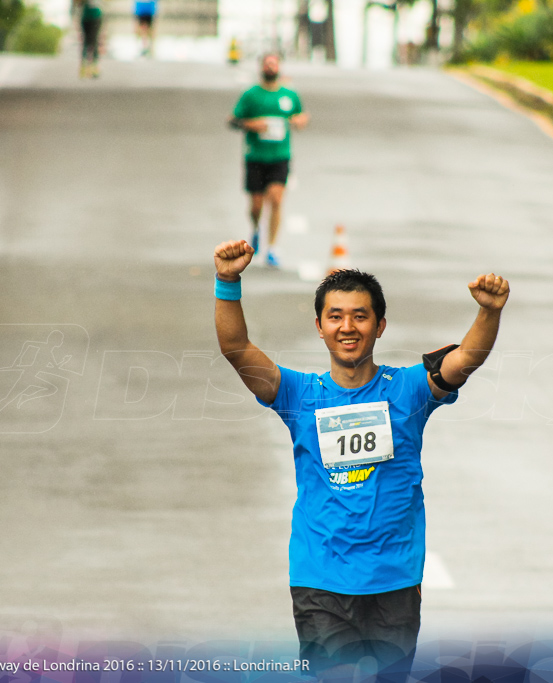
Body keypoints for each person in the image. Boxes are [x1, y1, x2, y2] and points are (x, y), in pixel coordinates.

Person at [213, 239, 510, 682]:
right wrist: (227, 281)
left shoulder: (409, 388)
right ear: (319, 326)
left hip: (395, 578)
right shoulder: (298, 394)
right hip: (321, 577)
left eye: (359, 316)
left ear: (380, 325)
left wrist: (489, 312)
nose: (347, 327)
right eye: (335, 316)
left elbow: (466, 359)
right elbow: (237, 349)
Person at [228, 54, 309, 268]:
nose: (271, 67)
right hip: (255, 156)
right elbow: (233, 120)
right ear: (261, 68)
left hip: (280, 156)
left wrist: (299, 120)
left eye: (274, 63)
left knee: (277, 199)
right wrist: (251, 125)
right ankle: (256, 229)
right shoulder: (251, 95)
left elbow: (301, 115)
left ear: (279, 67)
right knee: (256, 205)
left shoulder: (289, 95)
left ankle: (272, 247)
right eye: (267, 64)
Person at [76, 0, 102, 79]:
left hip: (94, 16)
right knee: (88, 41)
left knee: (92, 40)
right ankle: (87, 66)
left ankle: (92, 66)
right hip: (88, 17)